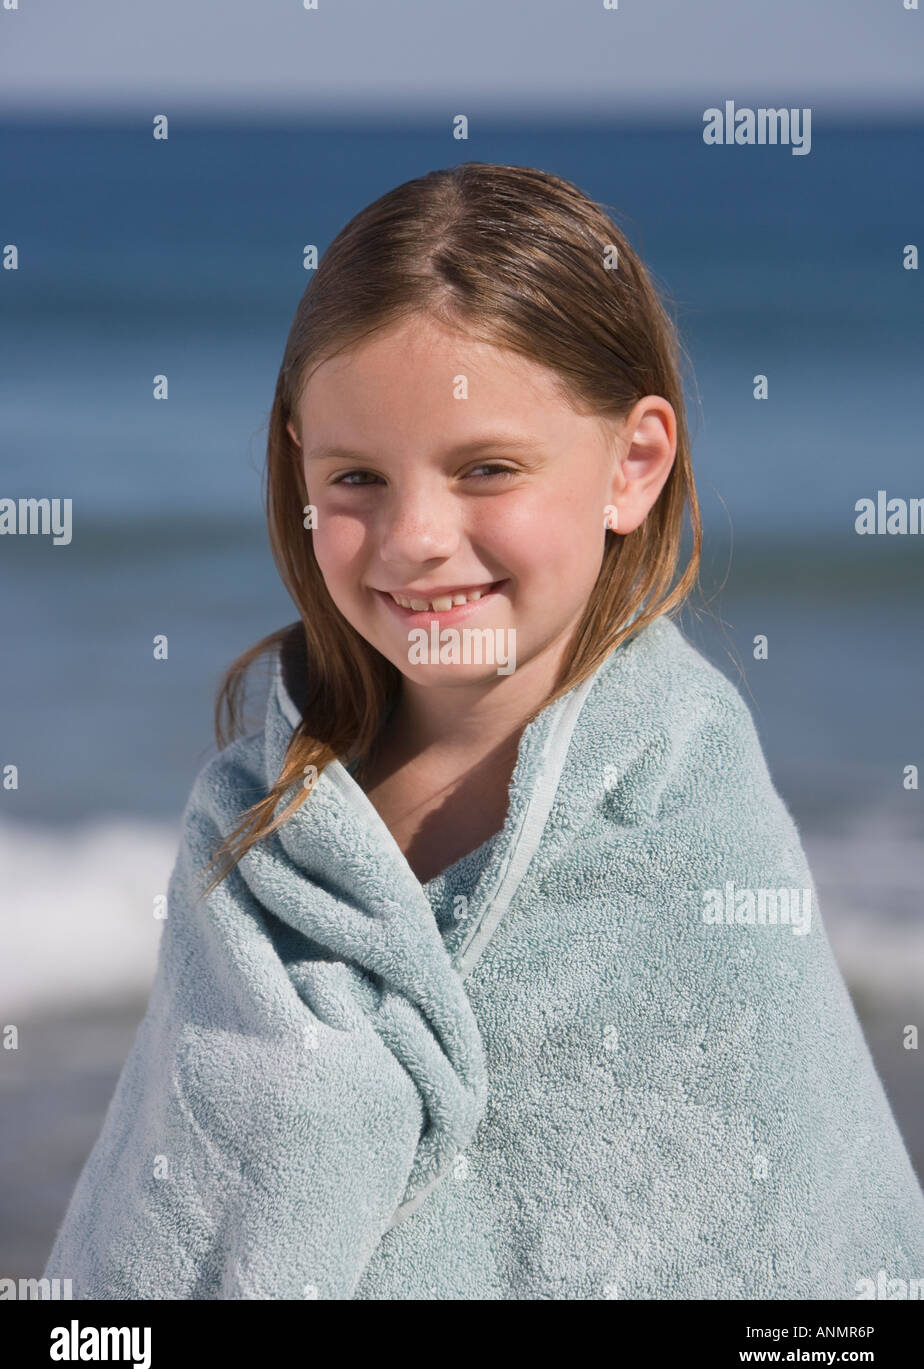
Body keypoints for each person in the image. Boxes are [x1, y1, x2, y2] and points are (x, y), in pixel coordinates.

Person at [43, 162, 924, 1299]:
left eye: (487, 469)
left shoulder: (688, 821)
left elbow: (804, 1252)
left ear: (632, 464)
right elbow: (150, 1243)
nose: (413, 536)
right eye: (357, 476)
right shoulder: (258, 819)